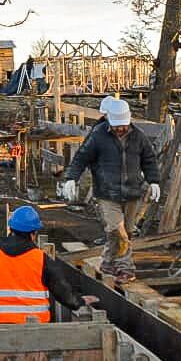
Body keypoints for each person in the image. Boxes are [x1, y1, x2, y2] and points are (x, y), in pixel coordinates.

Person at [61, 99, 161, 284]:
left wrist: (154, 181)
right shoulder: (98, 136)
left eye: (123, 126)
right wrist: (71, 178)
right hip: (107, 192)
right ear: (110, 122)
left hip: (132, 192)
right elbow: (81, 158)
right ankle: (125, 268)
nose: (120, 129)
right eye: (117, 126)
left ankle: (107, 262)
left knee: (127, 232)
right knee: (117, 231)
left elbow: (149, 159)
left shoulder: (138, 136)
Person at [0, 206, 98, 323]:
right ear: (33, 234)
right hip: (37, 324)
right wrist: (79, 301)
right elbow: (62, 290)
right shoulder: (41, 258)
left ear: (11, 230)